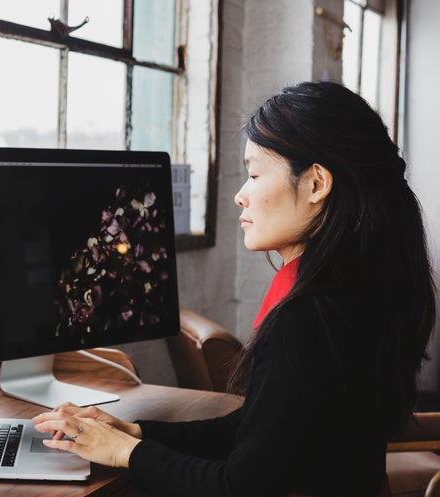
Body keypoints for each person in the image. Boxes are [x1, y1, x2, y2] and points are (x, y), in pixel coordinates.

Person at [31, 80, 436, 496]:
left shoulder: (309, 317)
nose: (240, 196)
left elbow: (239, 485)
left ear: (316, 184)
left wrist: (126, 453)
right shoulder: (364, 286)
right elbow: (259, 430)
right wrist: (134, 431)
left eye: (255, 174)